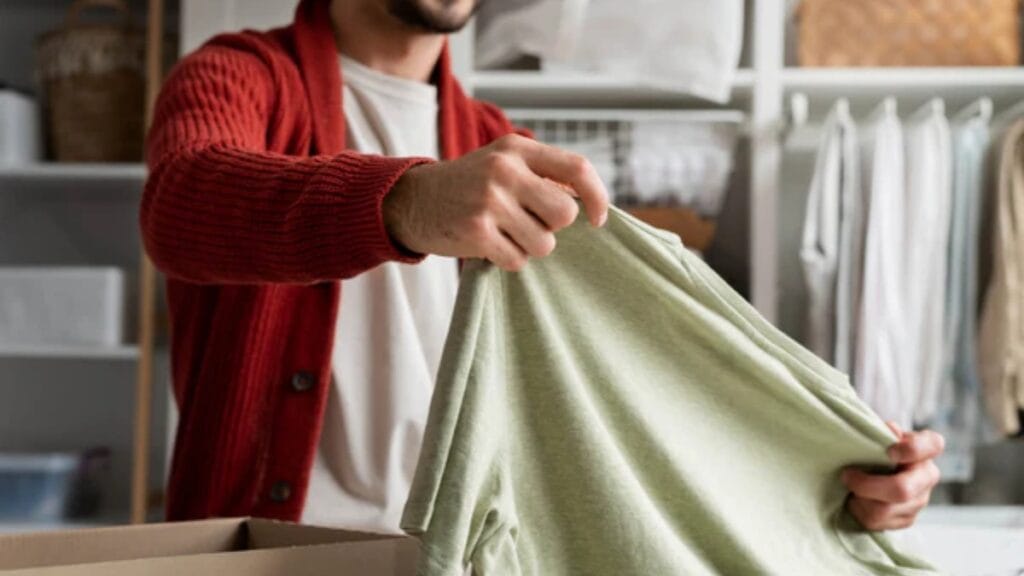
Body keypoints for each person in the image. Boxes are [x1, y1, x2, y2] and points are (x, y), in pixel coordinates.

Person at [142, 0, 943, 534]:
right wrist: (407, 204)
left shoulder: (500, 140)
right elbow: (181, 208)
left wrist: (834, 477)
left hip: (461, 554)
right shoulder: (237, 75)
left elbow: (625, 388)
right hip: (260, 552)